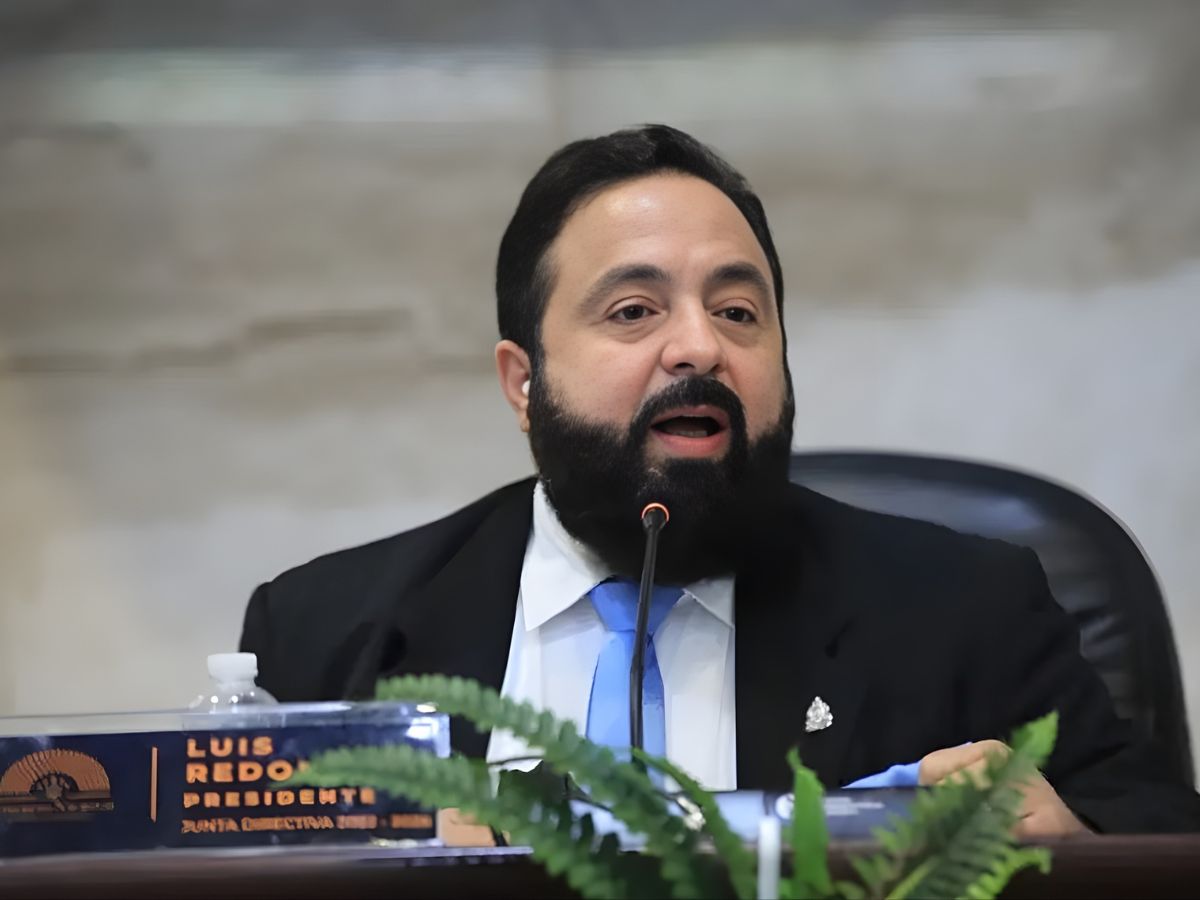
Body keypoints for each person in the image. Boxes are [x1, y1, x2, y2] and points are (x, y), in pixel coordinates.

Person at [240, 124, 1200, 835]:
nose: (699, 346)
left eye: (738, 311)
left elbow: (1152, 837)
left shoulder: (967, 612)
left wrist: (1074, 855)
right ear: (523, 383)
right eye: (633, 311)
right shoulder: (323, 634)